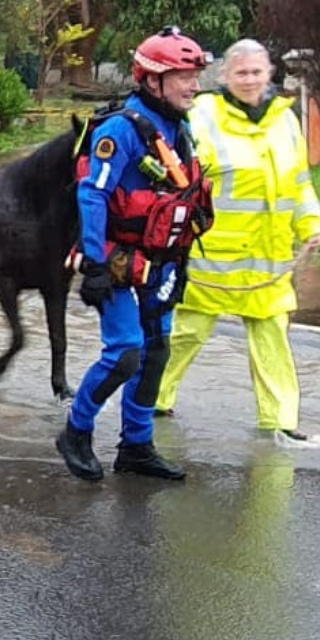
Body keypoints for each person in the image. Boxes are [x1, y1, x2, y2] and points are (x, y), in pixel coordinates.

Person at [56, 26, 214, 483]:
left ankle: (137, 447)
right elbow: (92, 197)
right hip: (116, 260)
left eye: (195, 75)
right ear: (152, 79)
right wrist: (97, 265)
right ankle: (76, 432)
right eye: (184, 75)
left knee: (156, 353)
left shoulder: (179, 129)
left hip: (160, 263)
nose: (194, 85)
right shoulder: (119, 131)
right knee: (126, 352)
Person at [155, 38, 320, 448]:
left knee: (272, 341)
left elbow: (298, 181)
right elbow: (181, 180)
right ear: (226, 77)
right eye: (241, 73)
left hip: (266, 259)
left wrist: (311, 224)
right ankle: (153, 400)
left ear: (269, 73)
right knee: (185, 333)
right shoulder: (203, 115)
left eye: (257, 71)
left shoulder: (284, 120)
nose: (250, 80)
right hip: (212, 257)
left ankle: (281, 421)